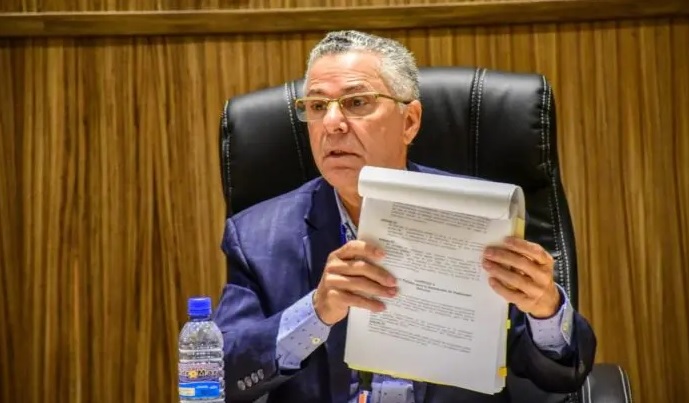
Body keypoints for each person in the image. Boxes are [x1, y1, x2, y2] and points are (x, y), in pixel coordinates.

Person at [212, 30, 596, 403]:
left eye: (356, 102)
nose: (331, 123)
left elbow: (559, 373)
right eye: (316, 106)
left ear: (409, 121)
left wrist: (545, 309)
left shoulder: (481, 216)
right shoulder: (257, 238)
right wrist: (315, 312)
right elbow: (217, 378)